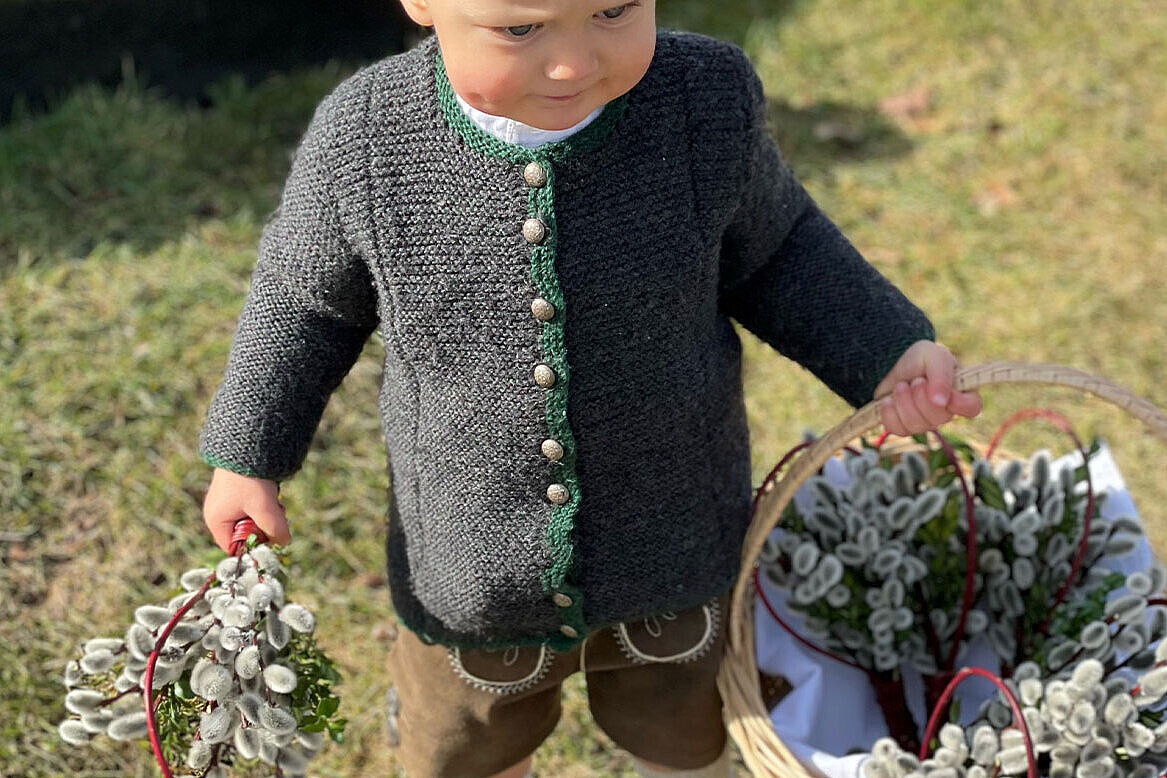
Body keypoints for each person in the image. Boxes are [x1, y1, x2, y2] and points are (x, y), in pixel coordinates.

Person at [198, 1, 983, 776]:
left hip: (672, 537)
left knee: (683, 721)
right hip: (471, 562)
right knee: (465, 743)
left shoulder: (700, 100)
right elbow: (303, 302)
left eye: (613, 11)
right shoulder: (365, 138)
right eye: (521, 29)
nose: (574, 61)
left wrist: (885, 348)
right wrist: (248, 454)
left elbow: (780, 252)